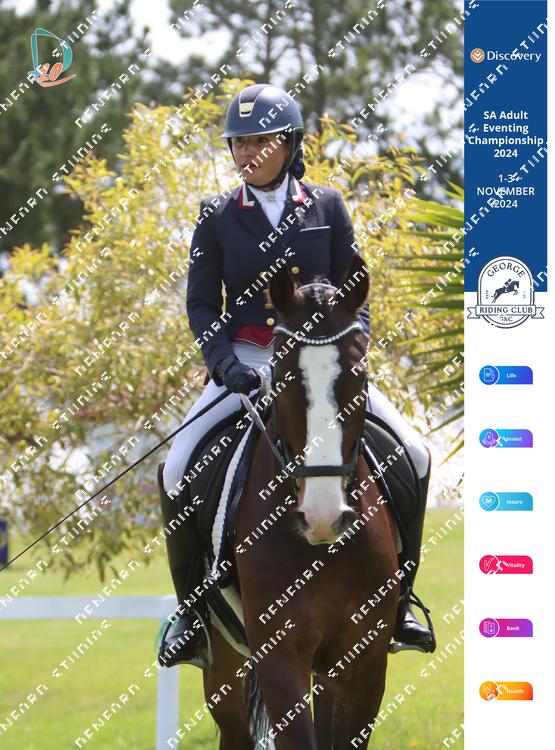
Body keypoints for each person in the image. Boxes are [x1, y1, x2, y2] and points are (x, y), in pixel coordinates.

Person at [157, 83, 434, 669]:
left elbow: (354, 293)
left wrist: (350, 352)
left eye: (258, 141)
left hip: (326, 360)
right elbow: (202, 305)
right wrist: (224, 363)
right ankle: (192, 617)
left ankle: (403, 602)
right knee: (178, 467)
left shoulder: (327, 206)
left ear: (289, 145)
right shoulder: (216, 215)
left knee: (413, 453)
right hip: (247, 359)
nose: (245, 153)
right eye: (238, 143)